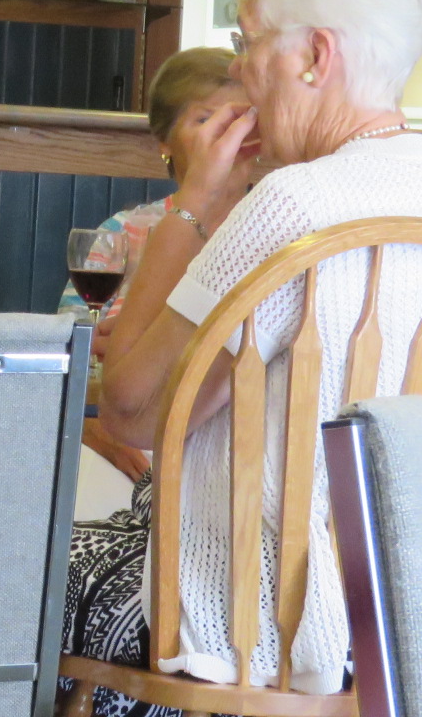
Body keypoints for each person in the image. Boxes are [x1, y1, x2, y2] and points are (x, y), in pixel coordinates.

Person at [62, 0, 422, 716]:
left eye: (247, 42)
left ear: (314, 55)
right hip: (420, 621)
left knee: (13, 565)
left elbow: (132, 412)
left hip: (258, 618)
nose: (240, 69)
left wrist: (193, 205)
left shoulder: (290, 207)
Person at [57, 47, 246, 510]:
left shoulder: (278, 233)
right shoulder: (122, 235)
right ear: (164, 141)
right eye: (207, 120)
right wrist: (91, 425)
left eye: (240, 121)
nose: (227, 137)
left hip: (237, 455)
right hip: (125, 449)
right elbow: (66, 359)